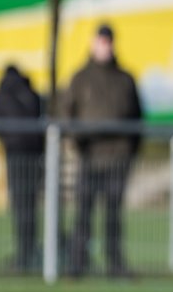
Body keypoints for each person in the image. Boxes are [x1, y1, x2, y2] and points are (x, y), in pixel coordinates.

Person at [59, 23, 142, 277]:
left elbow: (138, 119)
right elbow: (65, 113)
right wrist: (76, 141)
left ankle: (115, 264)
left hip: (117, 159)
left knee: (112, 217)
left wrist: (130, 152)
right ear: (93, 43)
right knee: (83, 215)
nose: (104, 46)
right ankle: (77, 264)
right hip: (89, 157)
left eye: (108, 41)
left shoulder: (125, 79)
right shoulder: (81, 77)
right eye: (101, 40)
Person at [0, 65, 45, 271]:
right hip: (36, 158)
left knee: (21, 207)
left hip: (16, 156)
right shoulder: (33, 94)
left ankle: (24, 254)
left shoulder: (2, 95)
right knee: (30, 207)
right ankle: (29, 251)